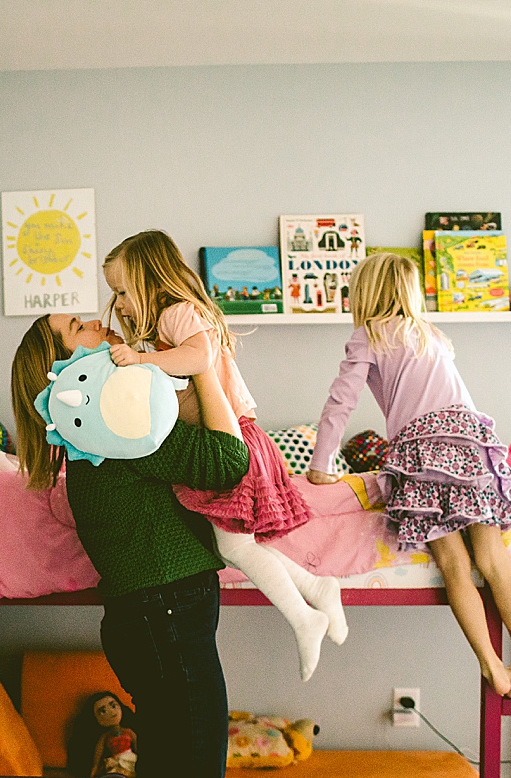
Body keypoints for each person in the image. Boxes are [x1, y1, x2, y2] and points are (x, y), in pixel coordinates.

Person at [11, 312, 248, 778]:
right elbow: (228, 461)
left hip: (154, 620)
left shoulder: (97, 432)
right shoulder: (115, 426)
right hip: (163, 619)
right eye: (78, 327)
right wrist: (201, 368)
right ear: (61, 367)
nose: (98, 319)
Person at [103, 230, 347, 682]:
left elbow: (199, 355)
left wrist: (140, 362)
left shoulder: (178, 313)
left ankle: (304, 615)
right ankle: (315, 589)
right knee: (238, 544)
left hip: (237, 439)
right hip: (234, 436)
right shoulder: (168, 323)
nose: (117, 302)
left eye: (122, 290)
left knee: (233, 545)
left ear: (148, 279)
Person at [306, 252, 511, 699]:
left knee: (455, 563)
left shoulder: (368, 336)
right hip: (472, 443)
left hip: (423, 452)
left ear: (367, 293)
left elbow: (340, 404)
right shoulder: (431, 335)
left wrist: (321, 466)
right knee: (492, 560)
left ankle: (494, 666)